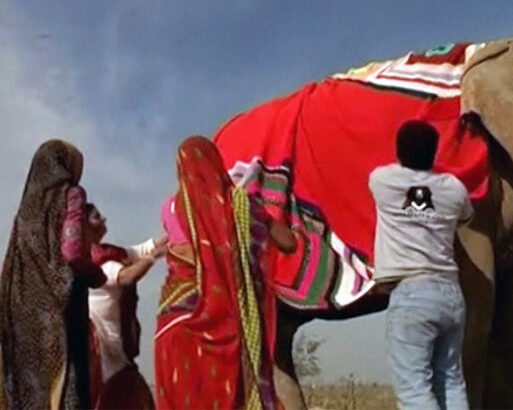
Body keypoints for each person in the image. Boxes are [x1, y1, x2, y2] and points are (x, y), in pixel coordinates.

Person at [154, 136, 296, 410]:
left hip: (174, 321)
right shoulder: (242, 205)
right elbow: (289, 243)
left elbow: (185, 251)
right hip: (229, 321)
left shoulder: (171, 207)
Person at [369, 121, 473, 410]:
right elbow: (466, 218)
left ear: (399, 151)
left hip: (411, 293)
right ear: (434, 152)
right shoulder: (454, 189)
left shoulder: (382, 181)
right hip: (450, 295)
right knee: (451, 383)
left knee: (414, 390)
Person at [0, 139, 106, 409]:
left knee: (31, 386)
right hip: (59, 306)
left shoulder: (26, 209)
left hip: (21, 308)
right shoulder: (71, 194)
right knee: (67, 382)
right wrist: (96, 275)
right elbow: (71, 252)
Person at [86, 203, 166, 410]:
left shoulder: (110, 253)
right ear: (84, 227)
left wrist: (171, 234)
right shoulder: (96, 261)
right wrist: (151, 259)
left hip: (117, 346)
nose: (103, 220)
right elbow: (126, 277)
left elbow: (140, 250)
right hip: (105, 348)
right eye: (96, 217)